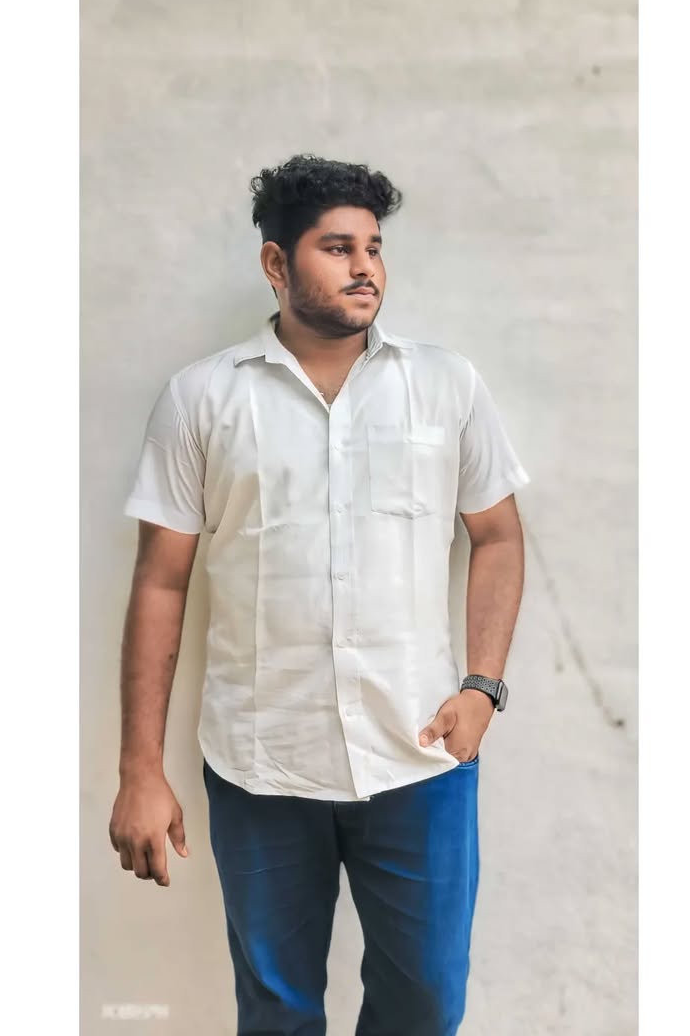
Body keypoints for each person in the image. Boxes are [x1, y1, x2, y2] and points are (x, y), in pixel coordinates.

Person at [109, 153, 530, 1036]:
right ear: (276, 262)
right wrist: (140, 771)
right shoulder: (203, 399)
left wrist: (483, 687)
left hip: (419, 756)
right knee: (276, 1012)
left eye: (374, 247)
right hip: (263, 764)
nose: (365, 266)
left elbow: (496, 535)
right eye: (338, 248)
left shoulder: (444, 385)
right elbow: (161, 582)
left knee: (425, 1005)